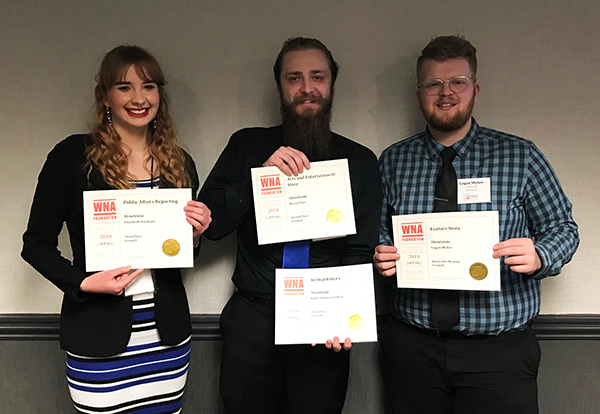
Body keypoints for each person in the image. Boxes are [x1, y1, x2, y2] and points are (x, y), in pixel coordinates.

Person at [374, 35, 579, 414]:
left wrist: (540, 255)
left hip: (498, 354)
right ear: (419, 92)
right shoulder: (393, 161)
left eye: (457, 82)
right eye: (433, 83)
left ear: (475, 90)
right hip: (412, 349)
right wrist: (382, 253)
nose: (445, 92)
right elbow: (380, 232)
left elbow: (563, 228)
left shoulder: (521, 156)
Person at [21, 45, 211, 414]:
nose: (139, 98)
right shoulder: (72, 157)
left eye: (149, 86)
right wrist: (82, 283)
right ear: (106, 95)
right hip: (97, 335)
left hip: (165, 341)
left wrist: (195, 236)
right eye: (124, 87)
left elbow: (182, 252)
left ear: (160, 94)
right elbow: (36, 244)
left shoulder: (179, 163)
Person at [198, 37, 381, 414]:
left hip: (323, 325)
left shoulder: (361, 161)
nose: (307, 88)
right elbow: (209, 223)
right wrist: (258, 179)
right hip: (253, 319)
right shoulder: (246, 145)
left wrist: (344, 316)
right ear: (280, 85)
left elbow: (361, 251)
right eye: (294, 78)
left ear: (332, 83)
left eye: (317, 76)